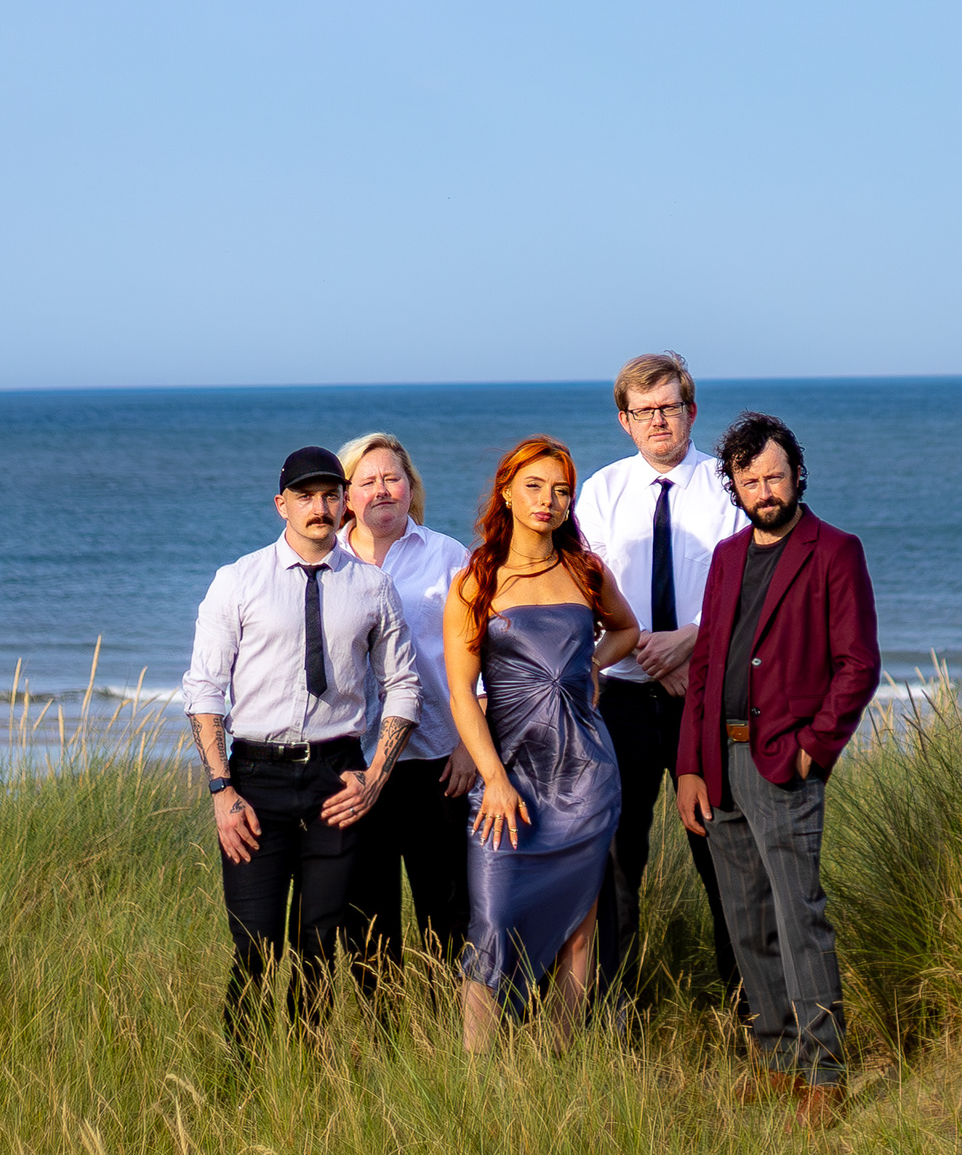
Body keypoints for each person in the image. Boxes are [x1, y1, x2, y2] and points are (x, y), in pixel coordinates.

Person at [672, 412, 877, 1125]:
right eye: (749, 478)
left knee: (799, 917)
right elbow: (704, 668)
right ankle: (776, 1054)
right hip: (718, 762)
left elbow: (857, 667)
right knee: (746, 919)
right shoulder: (727, 557)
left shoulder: (834, 551)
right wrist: (691, 767)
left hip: (781, 763)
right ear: (733, 483)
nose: (764, 489)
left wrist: (812, 750)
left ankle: (825, 1070)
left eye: (775, 475)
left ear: (797, 475)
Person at [181, 443, 422, 1038]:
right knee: (256, 946)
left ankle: (307, 1083)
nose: (320, 507)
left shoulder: (371, 588)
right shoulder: (237, 582)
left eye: (330, 495)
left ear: (345, 505)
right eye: (306, 497)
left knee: (321, 943)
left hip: (336, 777)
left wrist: (375, 776)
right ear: (281, 505)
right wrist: (221, 789)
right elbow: (204, 690)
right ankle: (243, 1079)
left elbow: (403, 685)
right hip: (254, 782)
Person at [442, 434, 638, 1047]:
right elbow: (461, 694)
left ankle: (556, 1069)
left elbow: (626, 631)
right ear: (505, 491)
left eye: (560, 491)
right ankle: (472, 1086)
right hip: (510, 779)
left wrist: (590, 666)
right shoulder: (475, 580)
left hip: (585, 774)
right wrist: (494, 780)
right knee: (493, 922)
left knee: (581, 928)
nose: (547, 501)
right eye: (534, 486)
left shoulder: (585, 571)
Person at [574, 349, 744, 998]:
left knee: (722, 853)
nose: (658, 421)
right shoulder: (602, 492)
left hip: (703, 700)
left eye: (668, 407)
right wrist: (649, 650)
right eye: (643, 411)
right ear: (625, 420)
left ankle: (747, 1011)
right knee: (617, 861)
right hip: (621, 702)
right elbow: (588, 591)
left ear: (691, 410)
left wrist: (690, 647)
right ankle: (616, 1015)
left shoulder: (728, 488)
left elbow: (744, 589)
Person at [339, 430, 479, 964]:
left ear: (410, 486)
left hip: (437, 762)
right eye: (366, 481)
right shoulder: (328, 561)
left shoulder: (447, 556)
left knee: (448, 910)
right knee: (367, 922)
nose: (381, 490)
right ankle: (385, 1035)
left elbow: (479, 656)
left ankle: (450, 1031)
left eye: (391, 478)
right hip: (354, 764)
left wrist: (469, 746)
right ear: (347, 494)